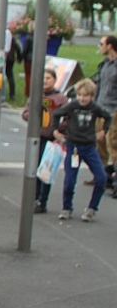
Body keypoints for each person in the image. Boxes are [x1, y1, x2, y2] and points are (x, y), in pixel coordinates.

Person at [52, 78, 112, 221]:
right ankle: (67, 208)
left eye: (85, 95)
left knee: (101, 177)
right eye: (79, 95)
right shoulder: (72, 106)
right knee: (69, 181)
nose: (82, 98)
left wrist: (103, 131)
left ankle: (92, 208)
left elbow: (108, 117)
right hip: (73, 146)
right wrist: (55, 131)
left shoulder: (95, 108)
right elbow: (56, 114)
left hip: (89, 147)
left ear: (91, 96)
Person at [22, 68, 68, 213]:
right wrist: (34, 117)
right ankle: (33, 197)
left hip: (51, 139)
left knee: (46, 170)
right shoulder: (36, 95)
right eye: (43, 78)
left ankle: (42, 200)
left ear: (54, 80)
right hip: (36, 137)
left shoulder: (61, 98)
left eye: (48, 78)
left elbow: (67, 118)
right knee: (33, 168)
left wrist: (58, 129)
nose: (45, 81)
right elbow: (25, 113)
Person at [92, 35, 117, 187]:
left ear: (110, 46)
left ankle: (115, 177)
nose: (99, 46)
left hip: (114, 110)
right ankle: (100, 176)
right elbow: (98, 84)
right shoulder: (104, 64)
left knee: (112, 144)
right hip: (100, 109)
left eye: (101, 43)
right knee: (99, 144)